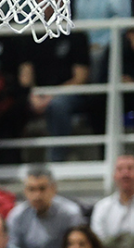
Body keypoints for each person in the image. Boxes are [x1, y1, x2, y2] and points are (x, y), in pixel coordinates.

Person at [19, 30, 90, 162]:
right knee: (14, 103)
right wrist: (32, 95)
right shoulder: (31, 36)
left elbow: (80, 77)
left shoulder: (76, 35)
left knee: (57, 105)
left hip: (69, 93)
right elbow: (25, 77)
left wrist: (52, 95)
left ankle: (57, 159)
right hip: (38, 94)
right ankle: (11, 160)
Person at [6, 165, 84, 248]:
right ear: (25, 191)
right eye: (31, 189)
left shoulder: (70, 214)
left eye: (42, 189)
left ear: (53, 189)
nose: (37, 195)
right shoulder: (16, 216)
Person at [90, 155, 134, 248]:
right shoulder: (101, 207)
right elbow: (98, 244)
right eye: (120, 169)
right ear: (114, 175)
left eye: (130, 168)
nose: (125, 174)